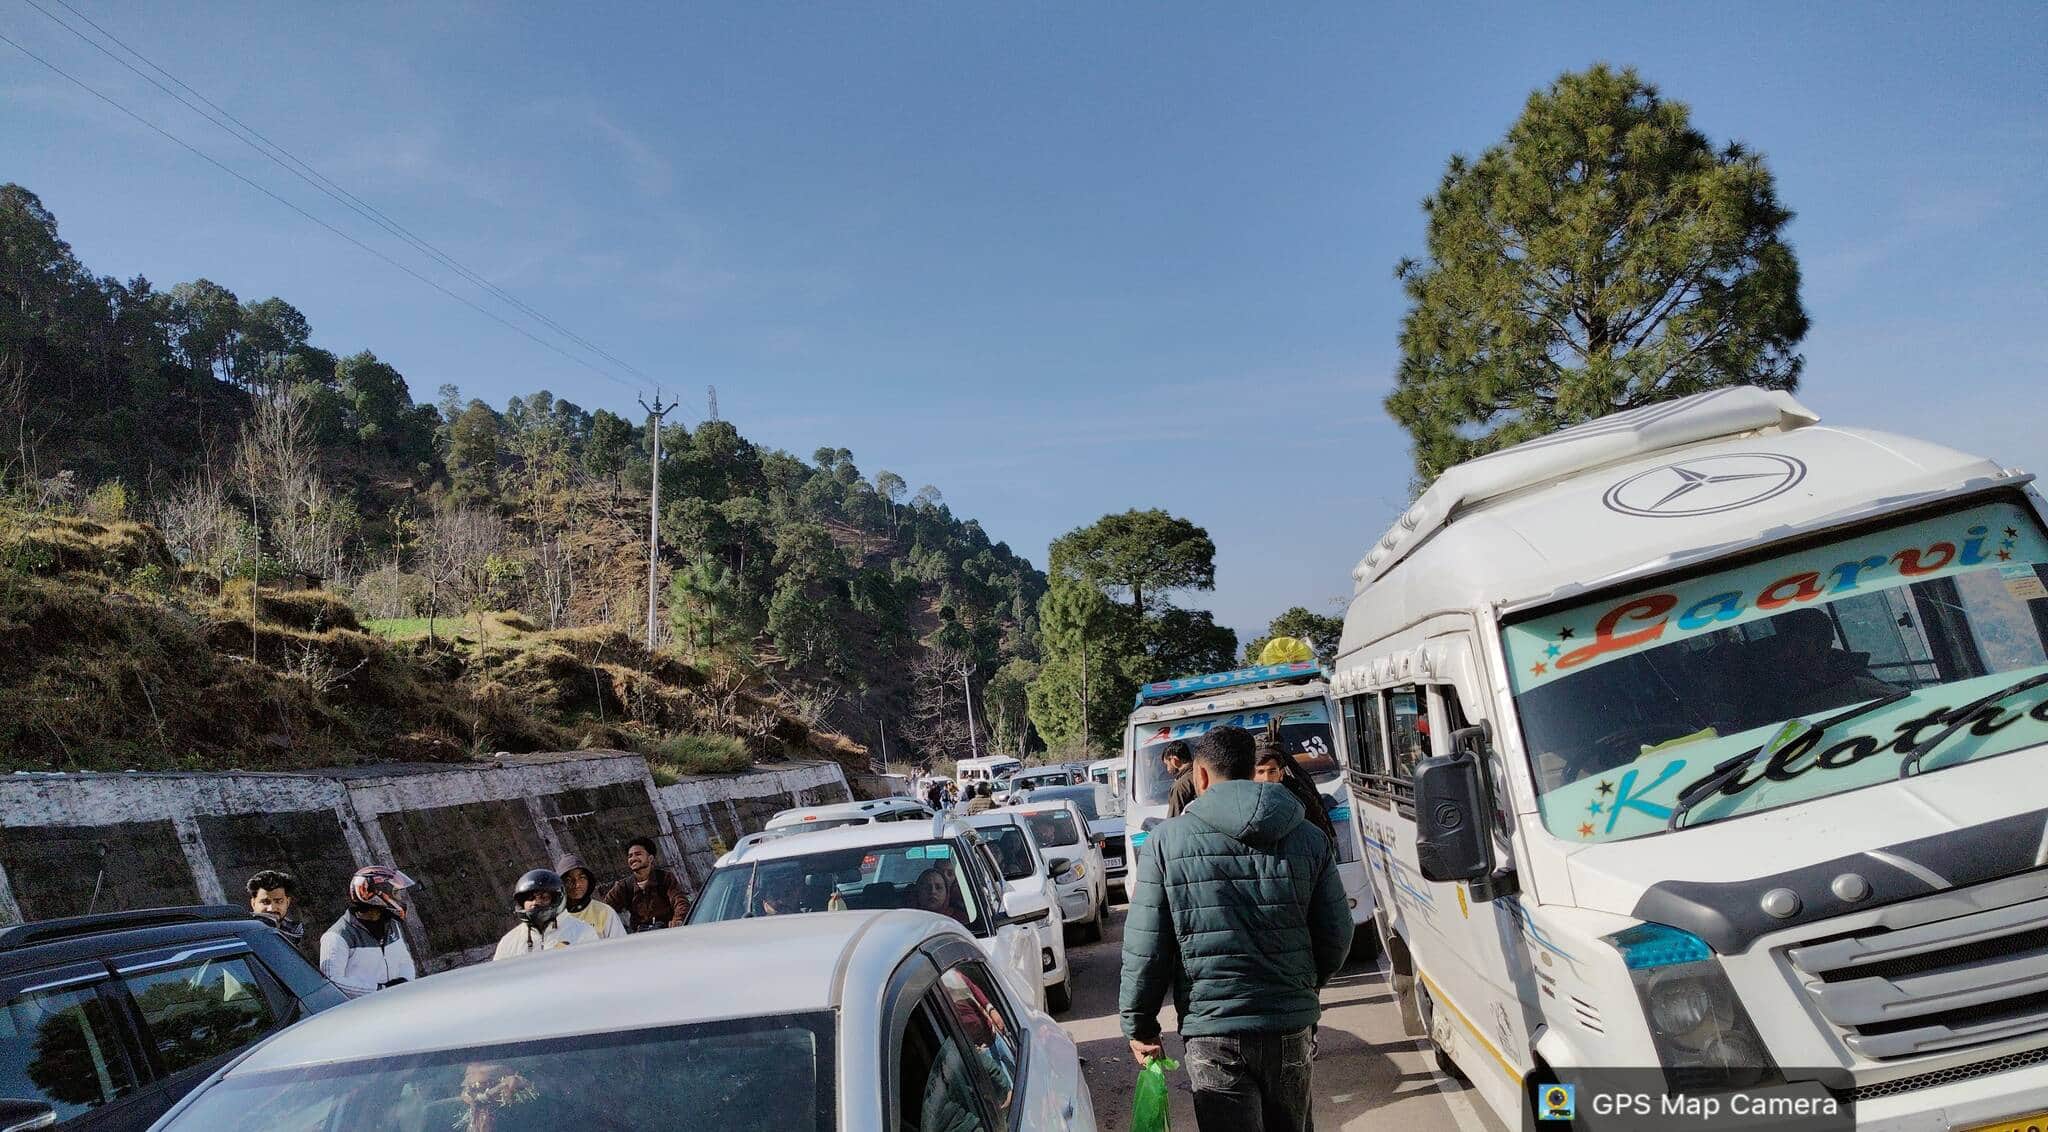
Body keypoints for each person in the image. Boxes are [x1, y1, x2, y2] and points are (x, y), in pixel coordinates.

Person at [1121, 726, 1352, 1132]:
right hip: (1288, 1024)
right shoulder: (1308, 836)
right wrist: (1304, 984)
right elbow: (1337, 934)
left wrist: (1140, 1025)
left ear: (1202, 777)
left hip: (1212, 1030)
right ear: (1252, 770)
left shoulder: (1165, 843)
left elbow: (1147, 946)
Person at [319, 865, 418, 998]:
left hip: (398, 1000)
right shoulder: (336, 936)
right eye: (396, 892)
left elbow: (404, 961)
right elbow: (333, 981)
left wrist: (406, 984)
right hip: (365, 1009)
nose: (400, 898)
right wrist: (380, 990)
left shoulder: (391, 925)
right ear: (374, 893)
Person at [494, 869, 598, 959]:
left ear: (556, 899)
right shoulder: (509, 941)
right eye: (530, 898)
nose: (536, 902)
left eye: (543, 897)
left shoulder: (582, 932)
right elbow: (499, 977)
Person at [1254, 734, 1337, 845]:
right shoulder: (1242, 799)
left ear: (1281, 773)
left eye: (1272, 771)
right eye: (1260, 772)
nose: (1266, 779)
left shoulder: (1298, 797)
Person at [599, 837, 691, 932]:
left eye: (638, 854)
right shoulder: (624, 886)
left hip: (667, 931)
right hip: (640, 937)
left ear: (650, 858)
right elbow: (604, 910)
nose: (633, 858)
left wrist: (678, 919)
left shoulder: (664, 878)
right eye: (630, 856)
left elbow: (679, 901)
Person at [554, 855, 626, 940]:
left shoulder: (604, 912)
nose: (577, 884)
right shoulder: (553, 918)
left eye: (582, 877)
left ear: (589, 880)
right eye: (569, 880)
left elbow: (620, 946)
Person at [246, 868, 305, 947]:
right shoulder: (245, 937)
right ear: (253, 903)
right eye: (265, 902)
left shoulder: (297, 934)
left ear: (287, 902)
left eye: (278, 901)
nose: (272, 908)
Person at [1162, 739, 1197, 817]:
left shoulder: (1179, 786)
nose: (1167, 769)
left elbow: (1173, 820)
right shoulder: (1202, 773)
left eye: (1167, 764)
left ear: (1174, 760)